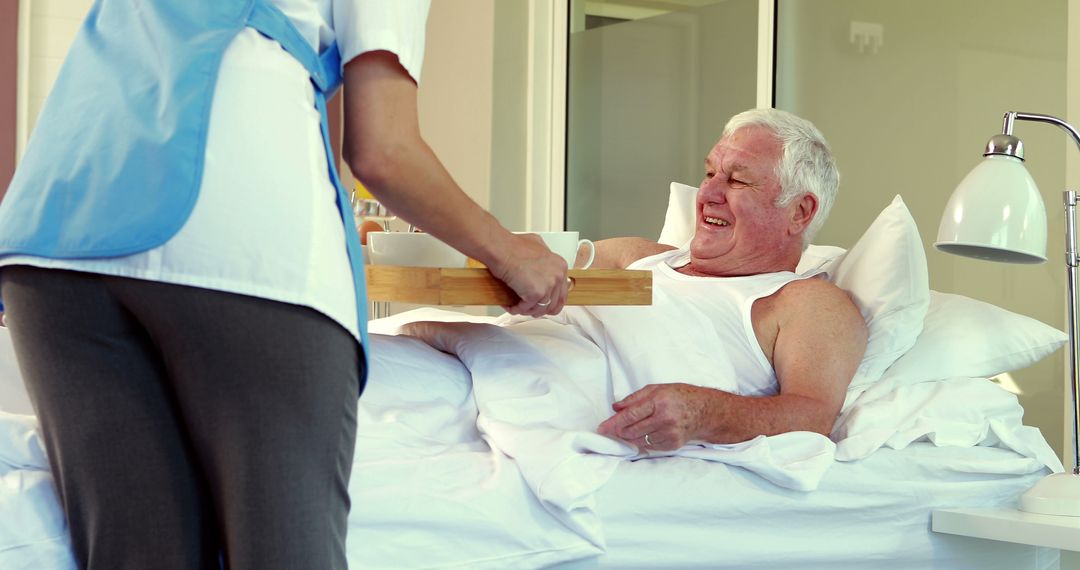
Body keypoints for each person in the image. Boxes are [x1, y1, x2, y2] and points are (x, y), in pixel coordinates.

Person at [0, 1, 567, 569]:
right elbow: (384, 150)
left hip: (52, 227)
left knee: (137, 555)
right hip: (226, 219)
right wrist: (512, 253)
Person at [586, 108, 868, 451]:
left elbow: (812, 416)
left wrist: (704, 413)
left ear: (799, 212)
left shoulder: (803, 302)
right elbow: (533, 270)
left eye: (737, 181)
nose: (707, 194)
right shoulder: (635, 256)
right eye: (709, 173)